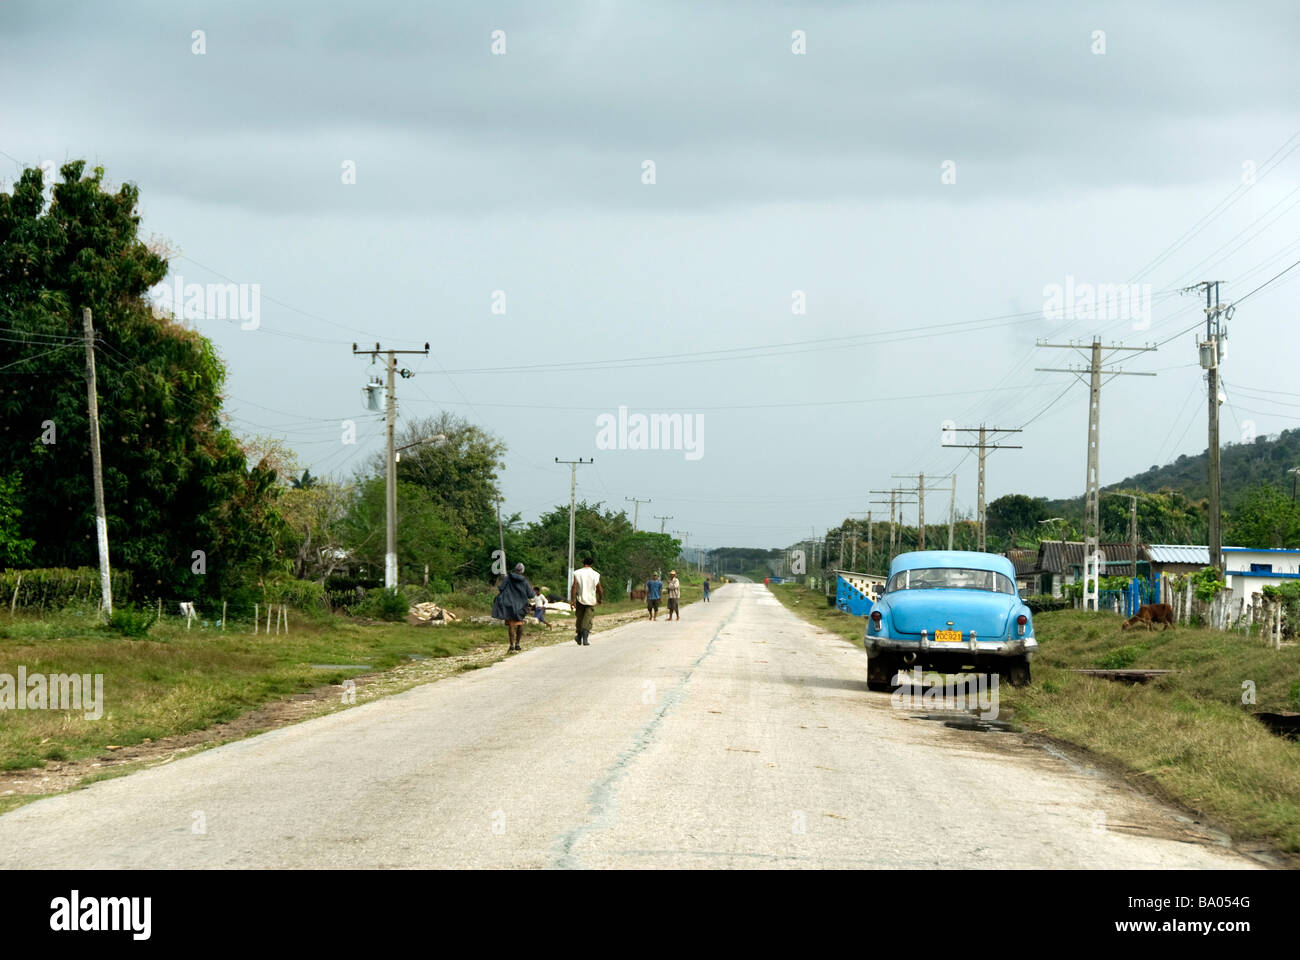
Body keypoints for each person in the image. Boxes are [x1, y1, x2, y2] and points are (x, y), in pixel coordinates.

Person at [492, 562, 535, 653]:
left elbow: (501, 588)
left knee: (511, 624)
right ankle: (518, 644)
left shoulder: (507, 578)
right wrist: (533, 592)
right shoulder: (524, 581)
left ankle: (511, 645)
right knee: (519, 624)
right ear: (523, 571)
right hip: (521, 606)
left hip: (509, 605)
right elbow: (530, 595)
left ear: (515, 570)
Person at [569, 556, 603, 646]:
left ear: (583, 563)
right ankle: (585, 639)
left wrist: (572, 600)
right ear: (592, 564)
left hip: (580, 599)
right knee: (587, 619)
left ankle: (579, 637)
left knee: (580, 618)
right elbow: (599, 588)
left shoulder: (577, 573)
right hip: (591, 600)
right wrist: (600, 598)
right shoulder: (595, 574)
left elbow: (574, 587)